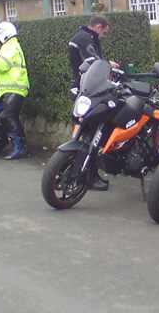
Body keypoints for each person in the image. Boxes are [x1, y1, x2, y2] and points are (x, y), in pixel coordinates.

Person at [66, 14, 116, 191]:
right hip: (87, 91)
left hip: (80, 90)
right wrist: (108, 64)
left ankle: (77, 169)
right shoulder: (86, 39)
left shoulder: (81, 36)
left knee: (84, 132)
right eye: (104, 32)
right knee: (94, 134)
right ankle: (90, 175)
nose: (103, 36)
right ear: (98, 26)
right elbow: (93, 63)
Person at [0, 21, 30, 160]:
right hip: (13, 87)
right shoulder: (11, 45)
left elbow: (1, 65)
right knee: (9, 116)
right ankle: (20, 146)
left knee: (7, 116)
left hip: (15, 87)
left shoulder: (9, 47)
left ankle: (20, 147)